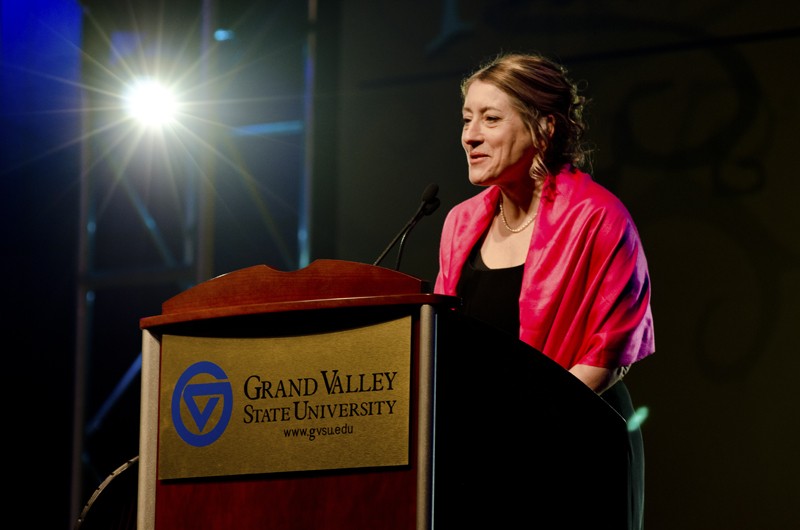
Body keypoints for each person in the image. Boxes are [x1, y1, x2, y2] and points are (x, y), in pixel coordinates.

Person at [433, 52, 655, 529]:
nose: (470, 135)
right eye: (467, 118)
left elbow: (610, 353)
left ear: (544, 129)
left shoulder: (598, 216)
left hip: (577, 441)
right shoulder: (459, 222)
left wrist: (528, 427)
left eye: (491, 119)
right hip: (481, 455)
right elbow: (439, 341)